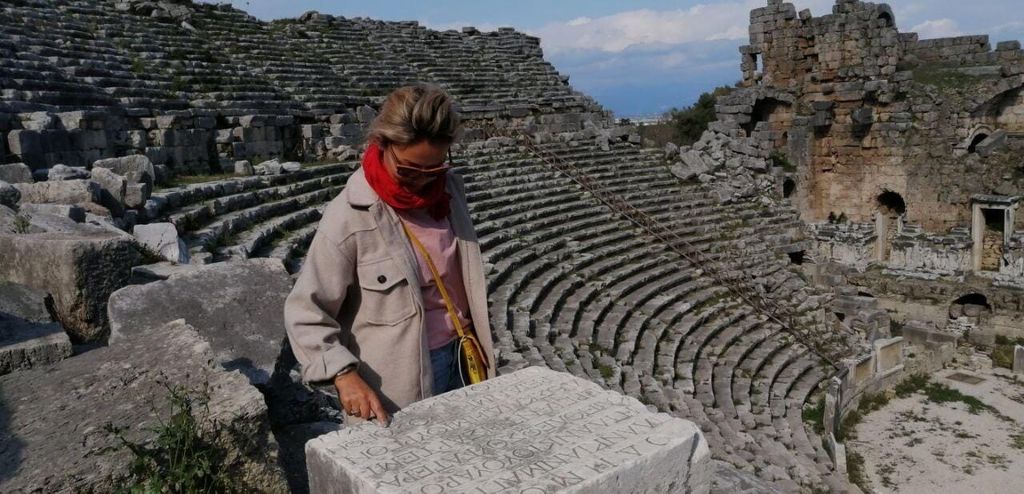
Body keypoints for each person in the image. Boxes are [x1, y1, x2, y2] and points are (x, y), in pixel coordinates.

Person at [283, 84, 496, 427]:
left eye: (435, 170)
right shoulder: (350, 217)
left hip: (465, 355)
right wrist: (343, 374)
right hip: (396, 384)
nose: (422, 183)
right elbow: (306, 312)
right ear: (382, 145)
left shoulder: (451, 191)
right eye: (410, 171)